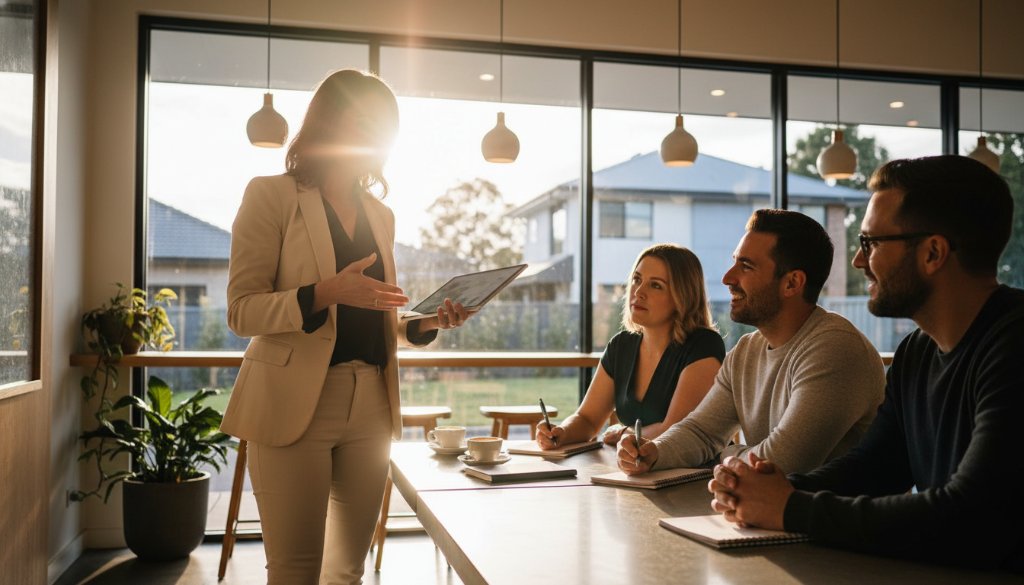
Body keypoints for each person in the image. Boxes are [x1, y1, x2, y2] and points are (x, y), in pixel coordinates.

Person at [708, 156, 1024, 572]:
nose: (859, 262)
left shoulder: (1014, 344)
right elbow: (877, 468)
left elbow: (970, 516)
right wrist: (769, 488)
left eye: (871, 243)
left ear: (933, 252)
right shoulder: (917, 353)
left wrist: (789, 508)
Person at [221, 70, 470, 585]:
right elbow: (242, 311)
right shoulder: (271, 195)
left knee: (347, 571)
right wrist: (323, 292)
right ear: (328, 122)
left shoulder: (381, 215)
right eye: (363, 120)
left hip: (372, 405)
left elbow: (379, 315)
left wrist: (425, 323)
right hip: (295, 403)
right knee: (295, 572)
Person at [618, 210, 885, 475]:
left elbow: (782, 463)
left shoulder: (834, 349)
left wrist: (724, 455)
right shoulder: (746, 350)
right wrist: (653, 452)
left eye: (746, 266)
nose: (727, 278)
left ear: (792, 283)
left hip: (831, 517)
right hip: (769, 513)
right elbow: (700, 431)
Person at [535, 244, 725, 448]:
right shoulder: (621, 345)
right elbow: (587, 418)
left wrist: (623, 434)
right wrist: (561, 432)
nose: (639, 292)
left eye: (656, 285)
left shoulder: (703, 345)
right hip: (634, 470)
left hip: (693, 475)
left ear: (683, 297)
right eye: (637, 279)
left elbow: (675, 431)